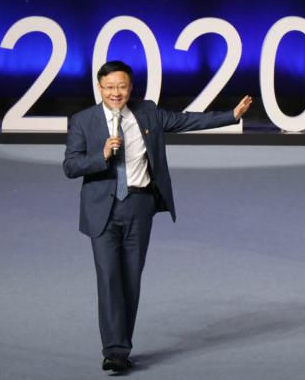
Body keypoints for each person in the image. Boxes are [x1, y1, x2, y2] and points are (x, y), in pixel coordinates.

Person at [63, 60, 253, 372]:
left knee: (131, 280)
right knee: (109, 279)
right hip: (102, 211)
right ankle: (115, 351)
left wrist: (230, 116)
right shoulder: (83, 120)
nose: (115, 93)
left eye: (121, 86)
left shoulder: (148, 112)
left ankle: (121, 346)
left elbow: (185, 120)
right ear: (99, 88)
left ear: (130, 87)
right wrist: (102, 155)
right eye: (109, 87)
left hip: (139, 206)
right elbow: (70, 166)